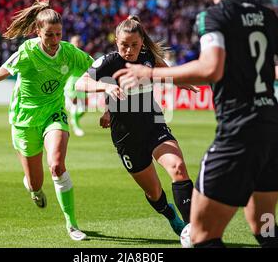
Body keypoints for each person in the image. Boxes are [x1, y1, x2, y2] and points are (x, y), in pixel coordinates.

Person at [113, 0, 278, 248]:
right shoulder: (266, 15)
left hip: (238, 132)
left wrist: (151, 74)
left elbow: (210, 67)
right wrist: (263, 71)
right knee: (263, 224)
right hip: (272, 129)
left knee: (202, 235)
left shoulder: (213, 17)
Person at [0, 0, 94, 241]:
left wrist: (109, 100)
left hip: (53, 114)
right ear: (38, 31)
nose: (55, 40)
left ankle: (72, 224)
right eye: (49, 35)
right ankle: (34, 190)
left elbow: (97, 68)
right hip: (24, 120)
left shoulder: (68, 52)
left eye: (59, 34)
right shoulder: (26, 53)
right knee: (36, 182)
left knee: (57, 165)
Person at [76, 16, 197, 236]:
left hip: (154, 126)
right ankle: (171, 215)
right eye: (124, 45)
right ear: (116, 42)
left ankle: (195, 231)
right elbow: (80, 82)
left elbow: (164, 70)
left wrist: (180, 81)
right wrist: (105, 89)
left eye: (134, 45)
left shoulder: (147, 56)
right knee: (154, 193)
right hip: (126, 139)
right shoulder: (109, 62)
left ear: (142, 42)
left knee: (178, 169)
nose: (129, 50)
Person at [64, 35, 90, 137]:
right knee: (75, 104)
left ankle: (74, 119)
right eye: (75, 41)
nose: (78, 43)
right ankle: (76, 127)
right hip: (72, 83)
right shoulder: (67, 55)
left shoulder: (84, 56)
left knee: (84, 108)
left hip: (83, 83)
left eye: (79, 41)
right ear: (71, 43)